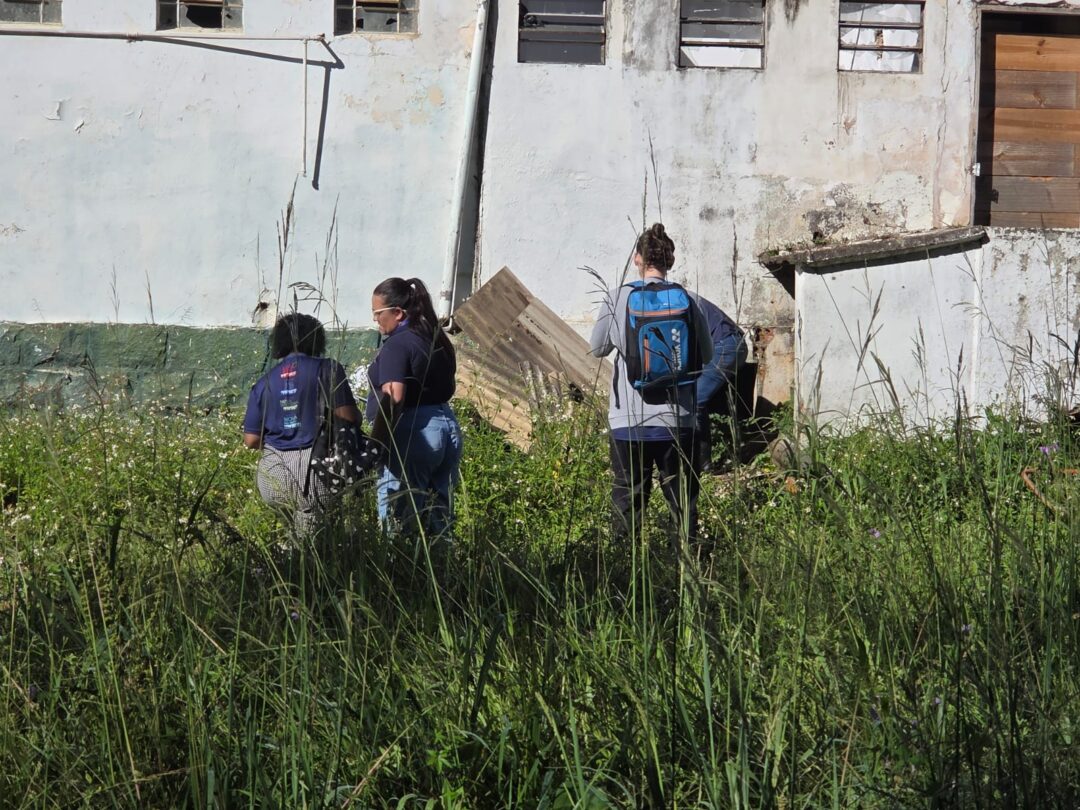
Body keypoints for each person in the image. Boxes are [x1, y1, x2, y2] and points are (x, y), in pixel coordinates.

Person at [589, 223, 713, 549]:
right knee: (682, 502)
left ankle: (625, 567)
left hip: (628, 422)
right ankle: (686, 566)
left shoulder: (617, 297)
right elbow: (708, 355)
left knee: (628, 499)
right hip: (678, 421)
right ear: (670, 261)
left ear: (637, 259)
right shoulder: (688, 300)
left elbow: (597, 349)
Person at [242, 313, 360, 536]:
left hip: (272, 474)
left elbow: (251, 440)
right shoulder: (328, 368)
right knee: (314, 540)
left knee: (291, 534)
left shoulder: (263, 382)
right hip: (314, 472)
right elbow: (347, 417)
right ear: (317, 340)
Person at [366, 277, 462, 537]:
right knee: (439, 516)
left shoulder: (397, 344)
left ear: (397, 313)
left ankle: (400, 562)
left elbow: (394, 397)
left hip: (413, 433)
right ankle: (442, 560)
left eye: (378, 313)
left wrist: (376, 445)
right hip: (446, 426)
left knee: (399, 517)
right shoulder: (435, 338)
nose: (375, 319)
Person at [694, 295, 748, 471]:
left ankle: (702, 465)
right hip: (725, 343)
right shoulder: (675, 296)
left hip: (725, 344)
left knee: (695, 400)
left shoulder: (675, 300)